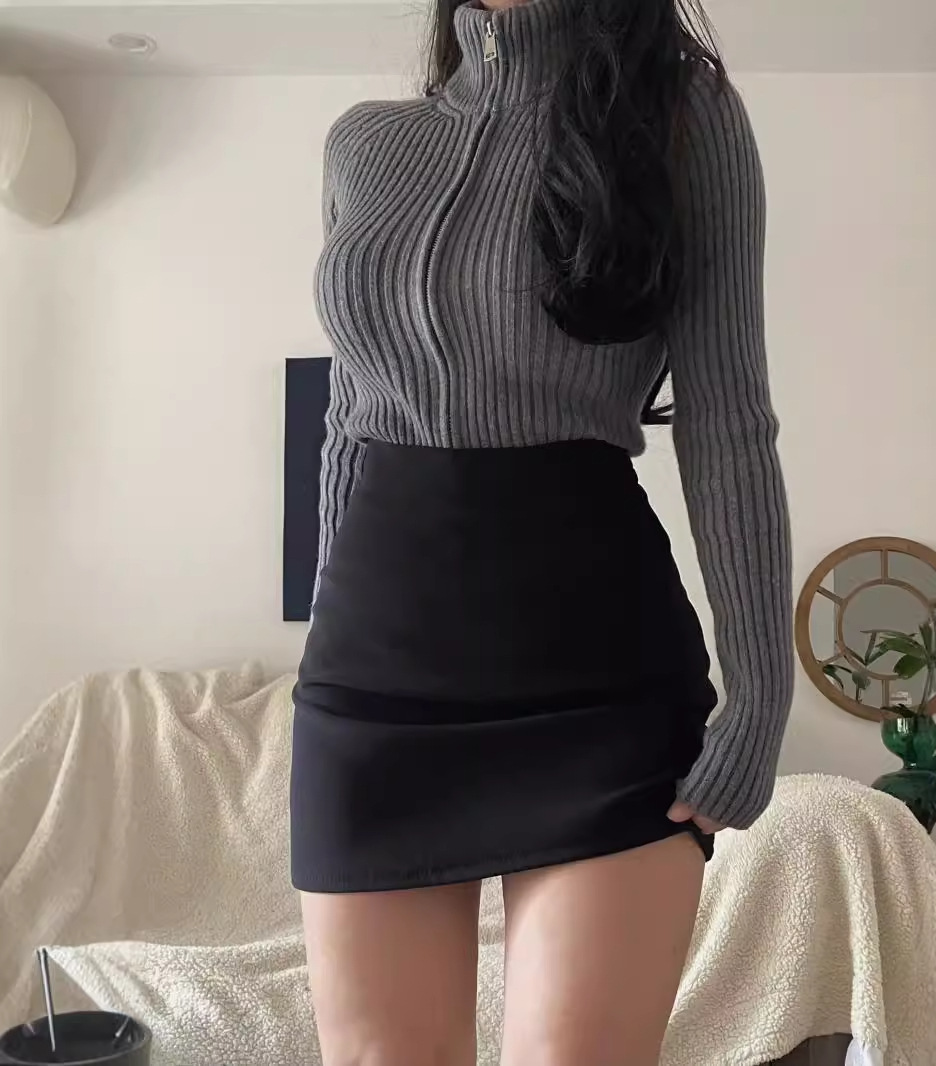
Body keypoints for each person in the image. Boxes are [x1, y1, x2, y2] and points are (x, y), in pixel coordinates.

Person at [290, 0, 793, 1061]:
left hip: (599, 683)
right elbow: (347, 415)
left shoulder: (677, 111)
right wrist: (325, 641)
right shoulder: (366, 145)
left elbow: (729, 419)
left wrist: (760, 694)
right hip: (373, 678)